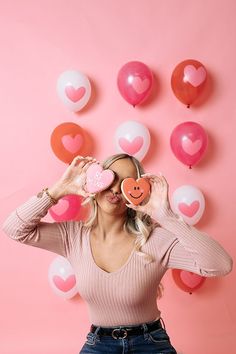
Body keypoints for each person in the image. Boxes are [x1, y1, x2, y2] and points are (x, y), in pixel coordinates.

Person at [2, 153, 233, 354]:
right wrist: (58, 190)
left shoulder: (155, 239)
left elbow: (220, 264)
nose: (115, 189)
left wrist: (166, 216)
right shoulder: (72, 236)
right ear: (95, 182)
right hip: (98, 344)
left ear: (137, 192)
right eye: (110, 178)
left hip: (150, 344)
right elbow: (13, 229)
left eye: (126, 184)